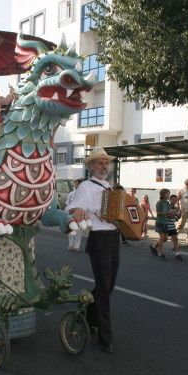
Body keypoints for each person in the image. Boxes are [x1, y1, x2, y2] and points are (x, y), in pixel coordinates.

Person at [66, 147, 118, 354]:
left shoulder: (110, 187)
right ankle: (105, 339)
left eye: (106, 162)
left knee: (108, 286)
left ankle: (87, 316)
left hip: (114, 236)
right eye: (99, 162)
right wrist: (78, 210)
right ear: (91, 166)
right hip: (99, 239)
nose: (104, 166)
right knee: (104, 288)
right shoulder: (86, 186)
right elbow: (73, 207)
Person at [150, 188, 171, 260]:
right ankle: (160, 252)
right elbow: (158, 213)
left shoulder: (167, 203)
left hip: (165, 222)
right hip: (159, 222)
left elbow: (168, 213)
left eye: (169, 193)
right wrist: (167, 213)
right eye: (167, 194)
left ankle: (153, 246)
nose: (168, 195)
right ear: (163, 194)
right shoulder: (159, 203)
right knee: (162, 238)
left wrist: (173, 213)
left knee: (165, 239)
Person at [65, 179, 83, 251]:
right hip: (71, 214)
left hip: (80, 214)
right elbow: (67, 204)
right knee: (70, 229)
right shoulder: (71, 193)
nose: (75, 185)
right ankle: (71, 244)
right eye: (75, 184)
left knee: (78, 231)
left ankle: (76, 245)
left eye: (77, 184)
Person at [177, 178, 188, 244]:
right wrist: (179, 209)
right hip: (184, 211)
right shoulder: (181, 191)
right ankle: (173, 236)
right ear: (186, 184)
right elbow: (177, 201)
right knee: (181, 225)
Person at [167, 194, 183, 261]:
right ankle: (154, 247)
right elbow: (169, 216)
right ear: (170, 200)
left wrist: (181, 212)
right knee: (163, 239)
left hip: (172, 226)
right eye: (173, 200)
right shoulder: (167, 207)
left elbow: (177, 218)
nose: (174, 201)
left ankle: (177, 254)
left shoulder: (175, 208)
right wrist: (174, 213)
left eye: (176, 200)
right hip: (166, 226)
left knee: (175, 238)